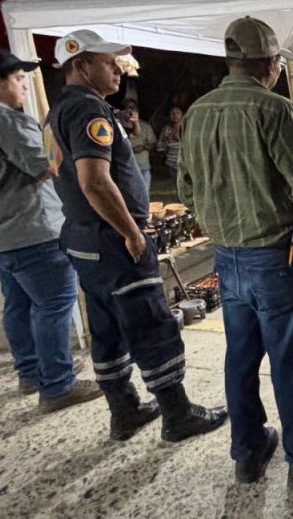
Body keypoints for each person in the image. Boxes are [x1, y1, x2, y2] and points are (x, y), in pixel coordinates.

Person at [178, 16, 293, 491]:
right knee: (287, 359)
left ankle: (248, 452)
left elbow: (187, 191)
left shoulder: (197, 111)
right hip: (275, 257)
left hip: (226, 257)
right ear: (270, 64)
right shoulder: (273, 109)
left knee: (241, 356)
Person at [43, 29, 226, 443]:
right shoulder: (88, 110)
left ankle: (124, 412)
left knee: (106, 327)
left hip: (82, 238)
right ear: (81, 65)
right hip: (112, 240)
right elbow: (95, 181)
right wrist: (131, 233)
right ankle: (178, 415)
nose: (118, 70)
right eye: (108, 63)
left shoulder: (55, 114)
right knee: (150, 322)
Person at [0, 47, 101, 413]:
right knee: (54, 305)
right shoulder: (2, 120)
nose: (25, 86)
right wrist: (62, 138)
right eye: (19, 79)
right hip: (29, 230)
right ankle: (57, 385)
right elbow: (45, 165)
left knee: (18, 301)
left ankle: (30, 372)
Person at [121, 100, 155, 195]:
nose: (130, 110)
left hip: (143, 167)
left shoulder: (146, 126)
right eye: (127, 107)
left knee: (144, 195)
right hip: (125, 168)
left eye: (133, 108)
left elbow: (152, 144)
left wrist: (143, 147)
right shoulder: (117, 125)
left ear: (137, 110)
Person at [159, 106, 184, 182]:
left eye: (177, 113)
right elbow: (160, 147)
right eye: (172, 113)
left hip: (185, 165)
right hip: (170, 164)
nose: (175, 115)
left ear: (182, 114)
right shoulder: (166, 129)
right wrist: (165, 145)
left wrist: (181, 138)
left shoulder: (188, 127)